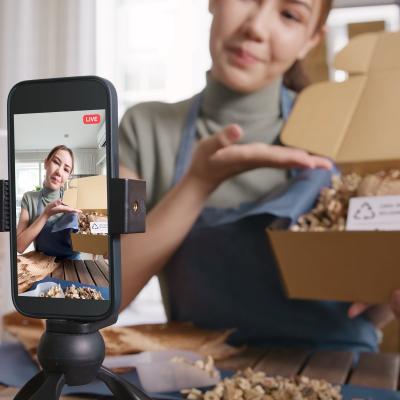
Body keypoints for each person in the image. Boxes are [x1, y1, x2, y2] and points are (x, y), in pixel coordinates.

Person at [118, 0, 397, 351]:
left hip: (341, 373)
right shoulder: (143, 129)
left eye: (290, 15)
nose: (257, 28)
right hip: (198, 376)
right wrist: (198, 183)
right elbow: (102, 296)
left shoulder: (354, 131)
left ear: (311, 39)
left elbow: (372, 305)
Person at [17, 145, 81, 259]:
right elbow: (19, 246)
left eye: (66, 169)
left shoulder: (75, 199)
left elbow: (88, 241)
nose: (59, 172)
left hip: (72, 266)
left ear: (68, 176)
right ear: (46, 163)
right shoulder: (29, 198)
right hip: (41, 265)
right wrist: (46, 214)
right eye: (56, 162)